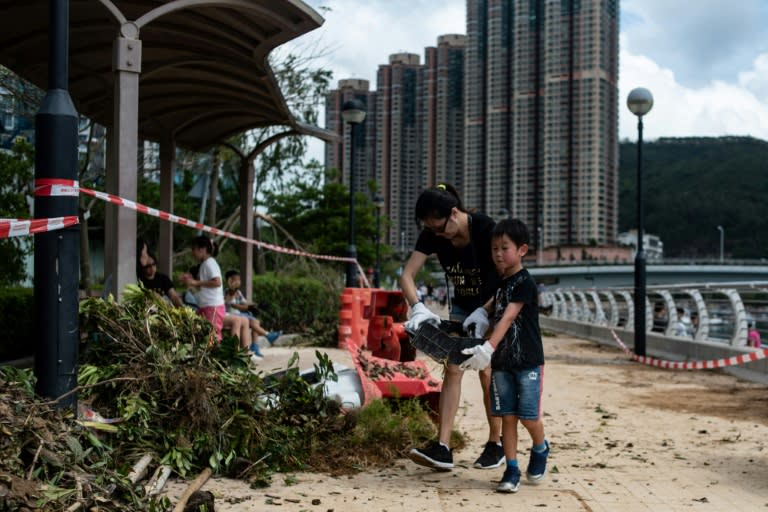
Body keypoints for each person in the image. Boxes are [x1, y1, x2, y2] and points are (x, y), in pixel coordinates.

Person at [401, 183, 503, 471]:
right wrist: (417, 306)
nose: (436, 235)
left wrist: (486, 312)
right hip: (461, 307)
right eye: (431, 230)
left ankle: (495, 444)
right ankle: (442, 447)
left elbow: (505, 277)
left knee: (485, 370)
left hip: (490, 307)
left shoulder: (484, 228)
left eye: (439, 228)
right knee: (453, 367)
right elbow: (407, 275)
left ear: (454, 213)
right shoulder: (432, 235)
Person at [460, 218, 549, 493]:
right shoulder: (502, 282)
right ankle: (511, 468)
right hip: (502, 364)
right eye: (494, 248)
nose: (498, 253)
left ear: (522, 250)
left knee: (528, 416)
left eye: (505, 247)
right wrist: (481, 312)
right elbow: (496, 302)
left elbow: (509, 316)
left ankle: (540, 446)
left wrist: (487, 348)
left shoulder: (525, 282)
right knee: (507, 416)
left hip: (527, 362)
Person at [180, 236, 227, 343]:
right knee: (208, 336)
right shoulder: (206, 264)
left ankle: (218, 358)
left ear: (202, 249)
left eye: (194, 249)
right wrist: (192, 281)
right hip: (207, 306)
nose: (193, 252)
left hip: (212, 306)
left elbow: (217, 282)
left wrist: (195, 282)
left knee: (213, 337)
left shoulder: (209, 263)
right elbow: (207, 285)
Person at [224, 270, 281, 352]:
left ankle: (255, 347)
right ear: (229, 281)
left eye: (239, 280)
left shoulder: (238, 292)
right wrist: (248, 308)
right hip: (231, 315)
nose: (238, 282)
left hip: (238, 314)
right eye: (235, 280)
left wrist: (257, 305)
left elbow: (245, 303)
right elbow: (234, 305)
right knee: (249, 320)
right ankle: (267, 336)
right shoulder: (227, 292)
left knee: (255, 321)